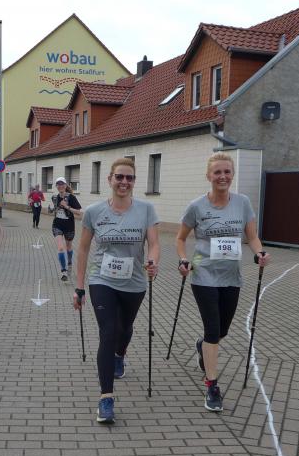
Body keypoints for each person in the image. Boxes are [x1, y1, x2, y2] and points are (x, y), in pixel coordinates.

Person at [175, 152, 271, 412]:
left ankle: (202, 347)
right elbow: (181, 238)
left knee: (222, 331)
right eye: (217, 172)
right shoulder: (196, 206)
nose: (222, 176)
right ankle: (212, 385)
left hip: (231, 277)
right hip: (203, 275)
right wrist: (183, 259)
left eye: (227, 172)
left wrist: (260, 253)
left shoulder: (242, 203)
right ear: (209, 176)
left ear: (232, 174)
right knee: (212, 330)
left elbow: (252, 237)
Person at [73, 158, 160, 424]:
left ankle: (120, 355)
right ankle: (106, 398)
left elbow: (154, 243)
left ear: (134, 182)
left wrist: (153, 261)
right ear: (110, 179)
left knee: (125, 328)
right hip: (102, 279)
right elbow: (83, 249)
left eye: (129, 178)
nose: (124, 182)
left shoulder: (146, 209)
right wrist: (79, 287)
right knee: (108, 332)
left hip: (134, 281)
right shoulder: (94, 211)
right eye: (119, 177)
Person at [51, 177, 82, 280]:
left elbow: (79, 213)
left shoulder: (71, 197)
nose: (60, 186)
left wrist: (67, 206)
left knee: (68, 247)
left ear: (65, 185)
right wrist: (52, 209)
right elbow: (55, 209)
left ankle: (69, 262)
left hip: (69, 226)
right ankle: (64, 271)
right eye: (58, 184)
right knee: (60, 247)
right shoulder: (54, 198)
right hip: (57, 225)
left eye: (62, 184)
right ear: (56, 186)